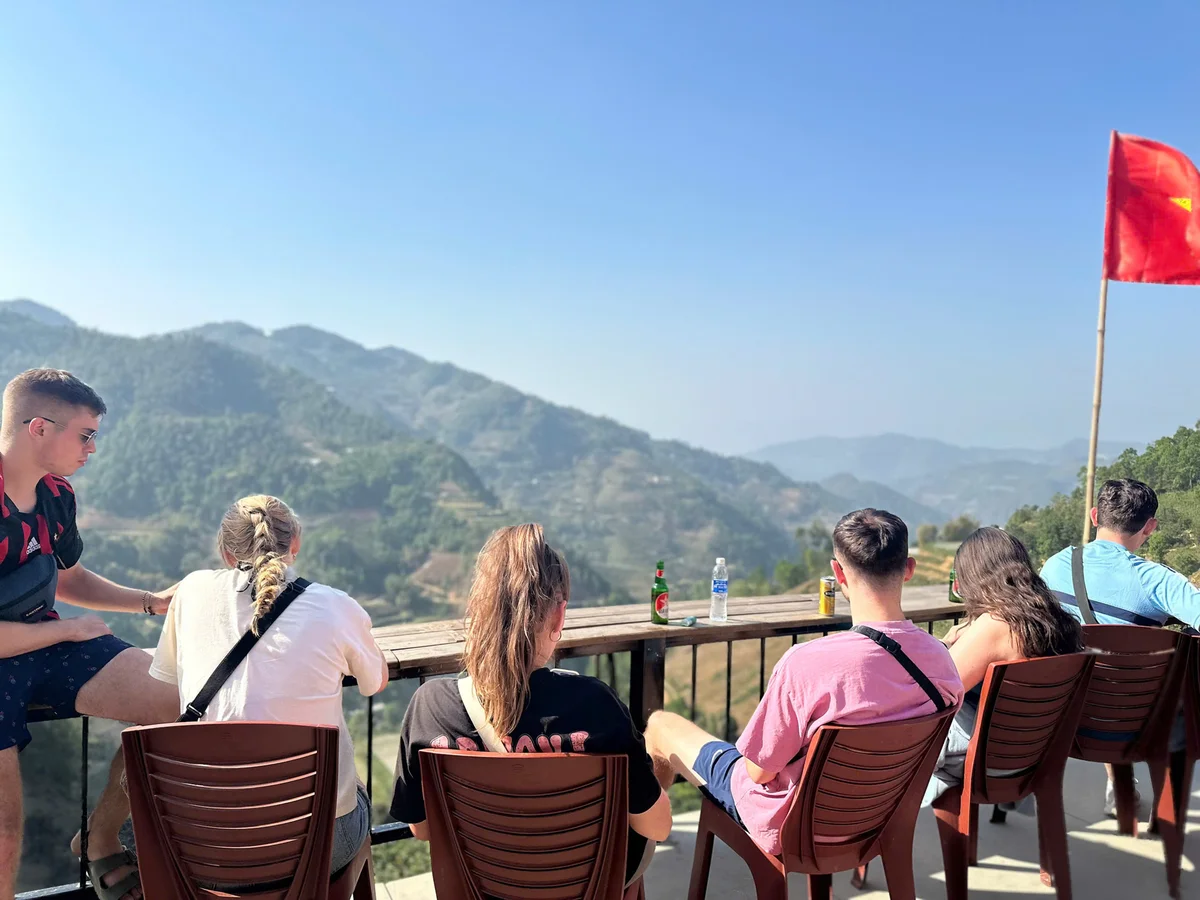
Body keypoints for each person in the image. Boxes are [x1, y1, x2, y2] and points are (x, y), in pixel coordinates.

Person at [644, 508, 963, 859]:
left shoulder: (807, 663)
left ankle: (645, 841)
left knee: (660, 725)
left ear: (837, 573)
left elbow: (758, 772)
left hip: (795, 828)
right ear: (909, 569)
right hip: (878, 819)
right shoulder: (941, 661)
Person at [113, 494, 386, 883]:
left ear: (226, 553)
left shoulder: (191, 590)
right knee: (353, 789)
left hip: (200, 847)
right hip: (313, 847)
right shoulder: (335, 605)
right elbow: (375, 682)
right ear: (295, 543)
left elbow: (170, 679)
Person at [389, 524, 672, 885]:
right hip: (585, 885)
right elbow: (657, 827)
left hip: (481, 885)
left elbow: (422, 828)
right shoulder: (596, 705)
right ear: (558, 616)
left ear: (478, 610)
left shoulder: (429, 706)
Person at [0, 369, 179, 900]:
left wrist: (149, 601)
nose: (92, 449)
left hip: (47, 641)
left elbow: (69, 576)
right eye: (85, 435)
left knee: (180, 707)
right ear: (38, 427)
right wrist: (70, 631)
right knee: (3, 835)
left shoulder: (56, 495)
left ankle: (99, 839)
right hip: (37, 645)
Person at [1040, 477, 1198, 814]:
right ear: (1150, 526)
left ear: (1095, 516)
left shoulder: (1055, 566)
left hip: (1064, 719)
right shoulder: (1157, 580)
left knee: (1098, 674)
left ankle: (1118, 786)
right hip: (1138, 722)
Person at [924, 527, 1084, 805]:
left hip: (984, 764)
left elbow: (936, 694)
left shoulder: (996, 625)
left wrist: (945, 645)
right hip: (1034, 757)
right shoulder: (1059, 622)